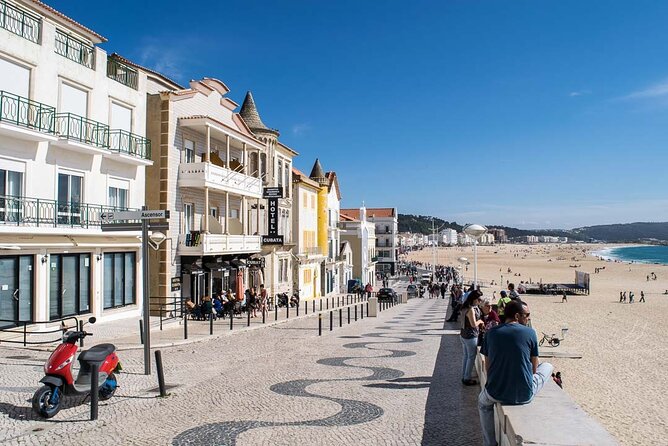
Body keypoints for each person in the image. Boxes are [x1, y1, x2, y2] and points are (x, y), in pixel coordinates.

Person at [478, 300, 553, 446]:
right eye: (527, 315)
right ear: (517, 316)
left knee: (483, 403)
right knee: (548, 366)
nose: (529, 318)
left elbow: (488, 366)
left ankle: (489, 443)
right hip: (525, 394)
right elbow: (534, 368)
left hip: (495, 392)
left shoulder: (491, 333)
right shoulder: (530, 332)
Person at [460, 290, 484, 386]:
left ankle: (464, 375)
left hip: (463, 334)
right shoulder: (470, 309)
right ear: (474, 299)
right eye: (479, 299)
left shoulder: (464, 307)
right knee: (471, 357)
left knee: (466, 356)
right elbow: (473, 324)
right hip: (470, 336)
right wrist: (480, 321)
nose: (480, 301)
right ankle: (467, 378)